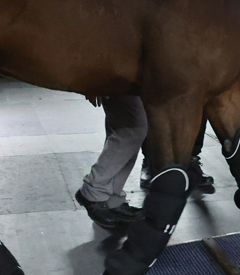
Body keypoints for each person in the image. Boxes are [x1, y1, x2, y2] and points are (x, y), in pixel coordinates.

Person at [76, 98, 214, 230]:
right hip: (117, 77)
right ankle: (93, 189)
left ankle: (112, 198)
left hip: (133, 79)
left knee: (124, 128)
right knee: (133, 128)